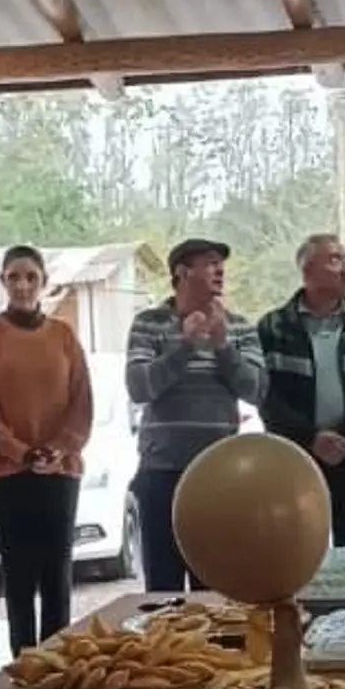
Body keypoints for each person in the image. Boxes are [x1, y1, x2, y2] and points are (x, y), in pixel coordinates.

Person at [0, 245, 93, 657]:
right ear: (2, 281)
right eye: (14, 277)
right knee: (18, 575)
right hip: (7, 472)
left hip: (59, 470)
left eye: (31, 277)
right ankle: (26, 662)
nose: (22, 285)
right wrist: (19, 451)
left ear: (44, 282)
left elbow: (81, 399)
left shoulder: (63, 335)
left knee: (57, 573)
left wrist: (59, 449)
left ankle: (59, 663)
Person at [125, 238, 267, 591]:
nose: (219, 270)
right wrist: (184, 346)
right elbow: (139, 387)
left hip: (219, 477)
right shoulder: (148, 323)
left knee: (217, 586)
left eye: (221, 263)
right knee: (163, 591)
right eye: (209, 263)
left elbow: (257, 390)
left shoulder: (239, 327)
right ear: (182, 273)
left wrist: (222, 348)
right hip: (162, 474)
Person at [258, 234, 345, 546]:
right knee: (297, 552)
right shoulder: (273, 326)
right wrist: (311, 438)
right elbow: (266, 396)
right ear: (307, 271)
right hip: (296, 458)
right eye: (334, 260)